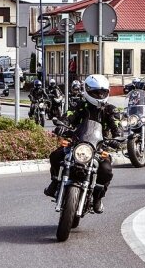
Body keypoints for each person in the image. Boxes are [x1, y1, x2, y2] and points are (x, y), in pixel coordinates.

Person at [44, 74, 121, 214]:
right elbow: (68, 116)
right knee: (55, 156)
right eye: (96, 92)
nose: (99, 95)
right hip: (77, 144)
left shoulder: (110, 110)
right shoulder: (79, 105)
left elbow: (117, 126)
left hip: (98, 148)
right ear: (87, 90)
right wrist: (62, 125)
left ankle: (98, 198)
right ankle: (55, 182)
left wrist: (118, 137)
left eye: (102, 92)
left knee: (106, 170)